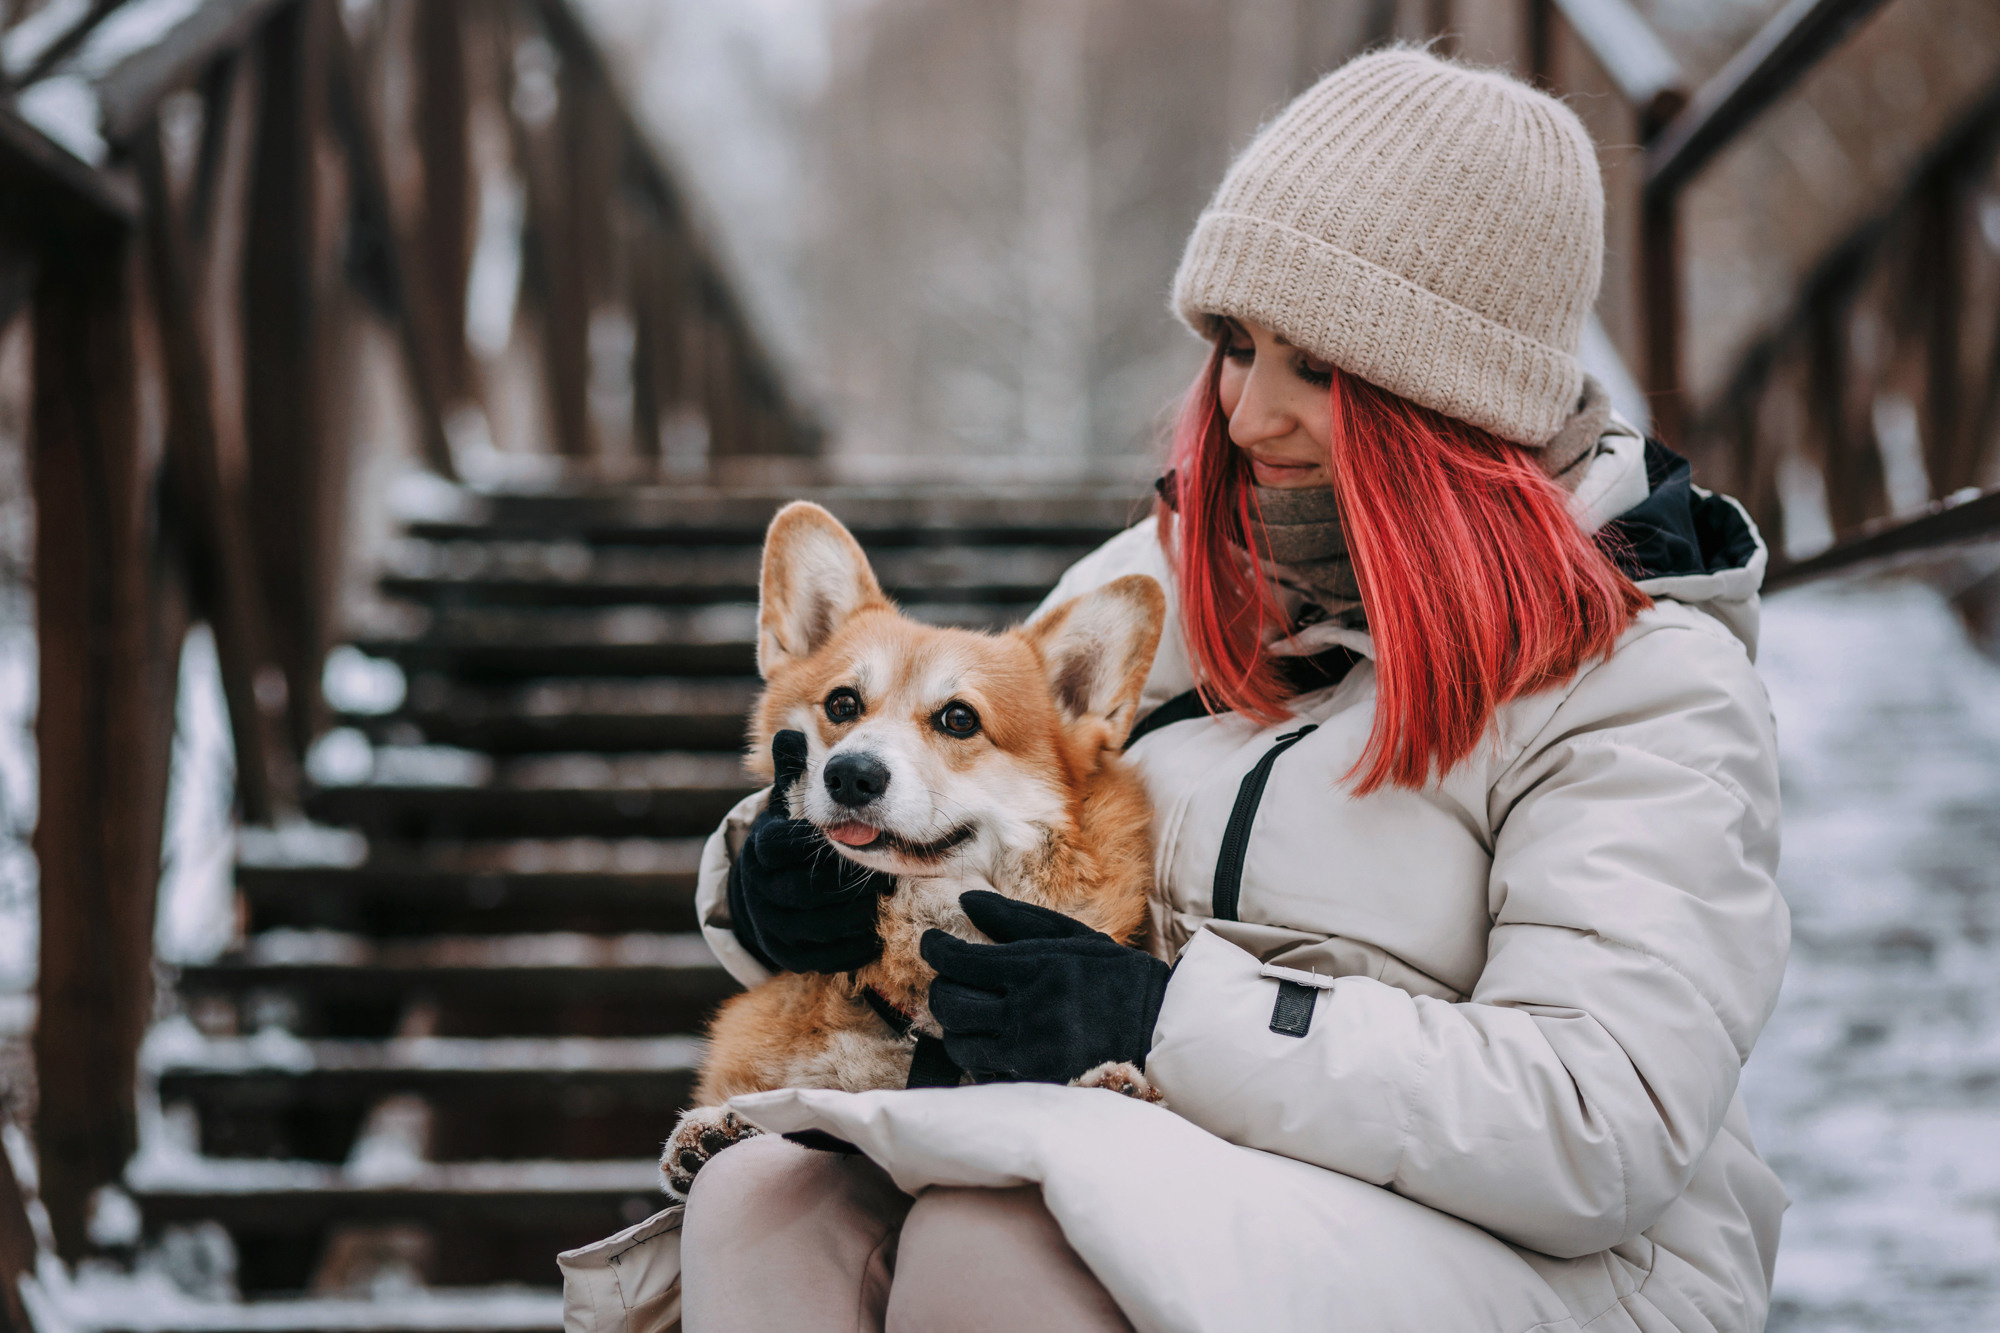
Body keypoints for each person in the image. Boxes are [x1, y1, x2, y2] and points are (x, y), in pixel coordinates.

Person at [679, 47, 1787, 1333]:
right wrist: (785, 876)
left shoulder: (1642, 687)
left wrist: (1167, 1022)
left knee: (992, 1248)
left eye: (1313, 367)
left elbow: (1595, 1121)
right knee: (767, 1202)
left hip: (1539, 1262)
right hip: (1185, 1163)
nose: (1246, 411)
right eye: (1231, 345)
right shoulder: (1172, 578)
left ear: (1450, 402)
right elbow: (971, 782)